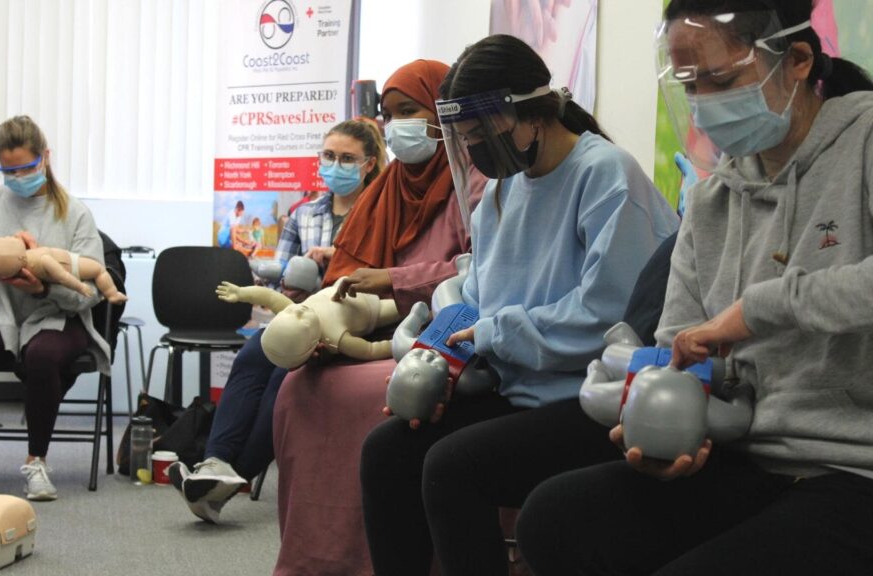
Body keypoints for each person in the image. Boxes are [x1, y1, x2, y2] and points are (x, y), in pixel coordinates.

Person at [521, 2, 873, 575]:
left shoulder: (864, 141)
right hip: (747, 456)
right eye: (690, 83)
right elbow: (682, 343)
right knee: (555, 519)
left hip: (854, 469)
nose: (706, 101)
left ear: (799, 60)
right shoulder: (713, 199)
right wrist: (667, 427)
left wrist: (758, 308)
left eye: (722, 79)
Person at [356, 35, 679, 576]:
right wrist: (440, 366)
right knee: (387, 450)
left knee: (453, 467)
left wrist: (491, 334)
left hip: (592, 398)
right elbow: (476, 304)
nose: (477, 147)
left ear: (533, 113)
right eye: (465, 137)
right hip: (523, 391)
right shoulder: (502, 194)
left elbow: (611, 321)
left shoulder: (605, 175)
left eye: (483, 132)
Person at [270, 59, 484, 576]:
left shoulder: (474, 179)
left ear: (443, 110)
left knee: (378, 391)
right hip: (370, 333)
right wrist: (323, 330)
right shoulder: (387, 188)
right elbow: (343, 279)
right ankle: (313, 562)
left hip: (444, 336)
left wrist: (395, 279)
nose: (396, 127)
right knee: (297, 388)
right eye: (388, 116)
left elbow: (480, 272)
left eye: (408, 111)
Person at [166, 119, 386, 523]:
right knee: (253, 355)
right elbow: (283, 274)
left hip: (351, 323)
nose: (335, 165)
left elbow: (384, 279)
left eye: (347, 158)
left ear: (369, 163)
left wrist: (334, 262)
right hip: (301, 315)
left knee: (282, 378)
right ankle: (215, 465)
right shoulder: (305, 213)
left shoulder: (382, 211)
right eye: (329, 156)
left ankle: (230, 478)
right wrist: (295, 281)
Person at [0, 115, 109, 501]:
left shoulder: (74, 213)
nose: (18, 176)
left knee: (42, 357)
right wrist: (2, 254)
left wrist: (41, 289)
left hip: (55, 314)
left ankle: (36, 461)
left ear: (45, 158)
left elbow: (91, 291)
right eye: (9, 169)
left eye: (26, 167)